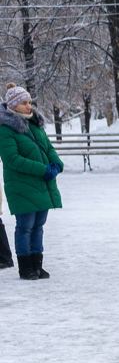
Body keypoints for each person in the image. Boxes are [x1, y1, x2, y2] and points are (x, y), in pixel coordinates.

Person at [0, 84, 62, 280]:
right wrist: (42, 169)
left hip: (41, 184)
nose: (29, 106)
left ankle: (37, 265)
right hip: (21, 185)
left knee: (39, 225)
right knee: (25, 225)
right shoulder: (5, 129)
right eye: (24, 103)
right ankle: (25, 267)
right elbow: (12, 159)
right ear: (13, 105)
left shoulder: (35, 124)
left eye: (29, 102)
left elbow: (47, 147)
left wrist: (57, 163)